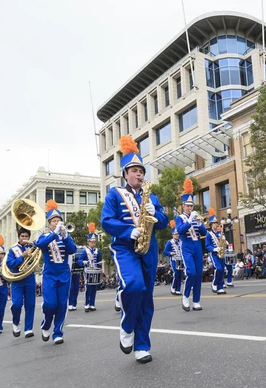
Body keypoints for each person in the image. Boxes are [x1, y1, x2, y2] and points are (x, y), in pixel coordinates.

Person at [101, 136, 168, 363]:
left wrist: (155, 212)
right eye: (135, 170)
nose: (140, 174)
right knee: (133, 286)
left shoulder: (152, 196)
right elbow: (106, 221)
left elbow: (163, 222)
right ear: (125, 173)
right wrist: (127, 231)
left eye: (142, 170)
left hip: (148, 248)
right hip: (125, 248)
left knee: (146, 298)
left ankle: (142, 345)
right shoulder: (115, 195)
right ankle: (127, 325)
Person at [35, 200, 77, 345]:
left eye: (58, 220)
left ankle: (58, 332)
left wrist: (65, 236)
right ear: (49, 223)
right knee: (50, 304)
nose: (57, 222)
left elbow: (72, 250)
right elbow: (39, 244)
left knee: (61, 304)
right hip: (50, 274)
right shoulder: (44, 236)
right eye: (54, 221)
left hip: (64, 273)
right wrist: (54, 233)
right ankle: (46, 324)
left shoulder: (65, 236)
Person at [175, 178, 207, 311]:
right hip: (187, 246)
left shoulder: (195, 217)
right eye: (187, 206)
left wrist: (200, 223)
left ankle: (196, 301)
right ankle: (186, 295)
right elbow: (181, 231)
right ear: (183, 206)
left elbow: (204, 233)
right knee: (191, 272)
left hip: (197, 246)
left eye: (191, 206)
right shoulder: (180, 218)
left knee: (199, 273)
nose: (189, 208)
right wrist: (190, 219)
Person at [6, 227, 36, 338]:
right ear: (19, 237)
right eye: (22, 236)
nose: (24, 238)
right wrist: (22, 257)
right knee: (17, 304)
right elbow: (10, 264)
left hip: (29, 278)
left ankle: (28, 328)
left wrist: (31, 255)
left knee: (30, 304)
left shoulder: (32, 247)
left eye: (26, 236)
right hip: (17, 279)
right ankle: (15, 322)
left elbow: (35, 260)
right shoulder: (12, 249)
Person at [78, 224, 102, 312]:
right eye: (91, 242)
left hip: (95, 271)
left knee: (94, 288)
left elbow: (99, 260)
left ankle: (92, 304)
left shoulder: (97, 251)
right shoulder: (85, 251)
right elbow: (79, 260)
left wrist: (100, 263)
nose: (93, 244)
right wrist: (83, 262)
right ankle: (86, 304)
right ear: (88, 242)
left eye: (94, 242)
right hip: (88, 271)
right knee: (88, 287)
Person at [205, 209, 226, 295]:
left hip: (221, 254)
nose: (216, 224)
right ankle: (214, 283)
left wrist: (225, 242)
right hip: (214, 254)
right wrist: (214, 249)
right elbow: (207, 245)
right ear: (211, 225)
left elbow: (223, 242)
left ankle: (220, 287)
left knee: (222, 270)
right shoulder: (209, 234)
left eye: (216, 223)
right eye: (214, 223)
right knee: (218, 268)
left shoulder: (220, 233)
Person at [163, 221, 183, 295]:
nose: (177, 235)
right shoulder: (170, 242)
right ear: (172, 235)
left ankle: (178, 289)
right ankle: (173, 287)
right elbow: (165, 251)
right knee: (176, 273)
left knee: (180, 274)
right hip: (174, 259)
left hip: (180, 260)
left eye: (177, 234)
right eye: (175, 234)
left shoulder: (181, 241)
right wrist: (170, 253)